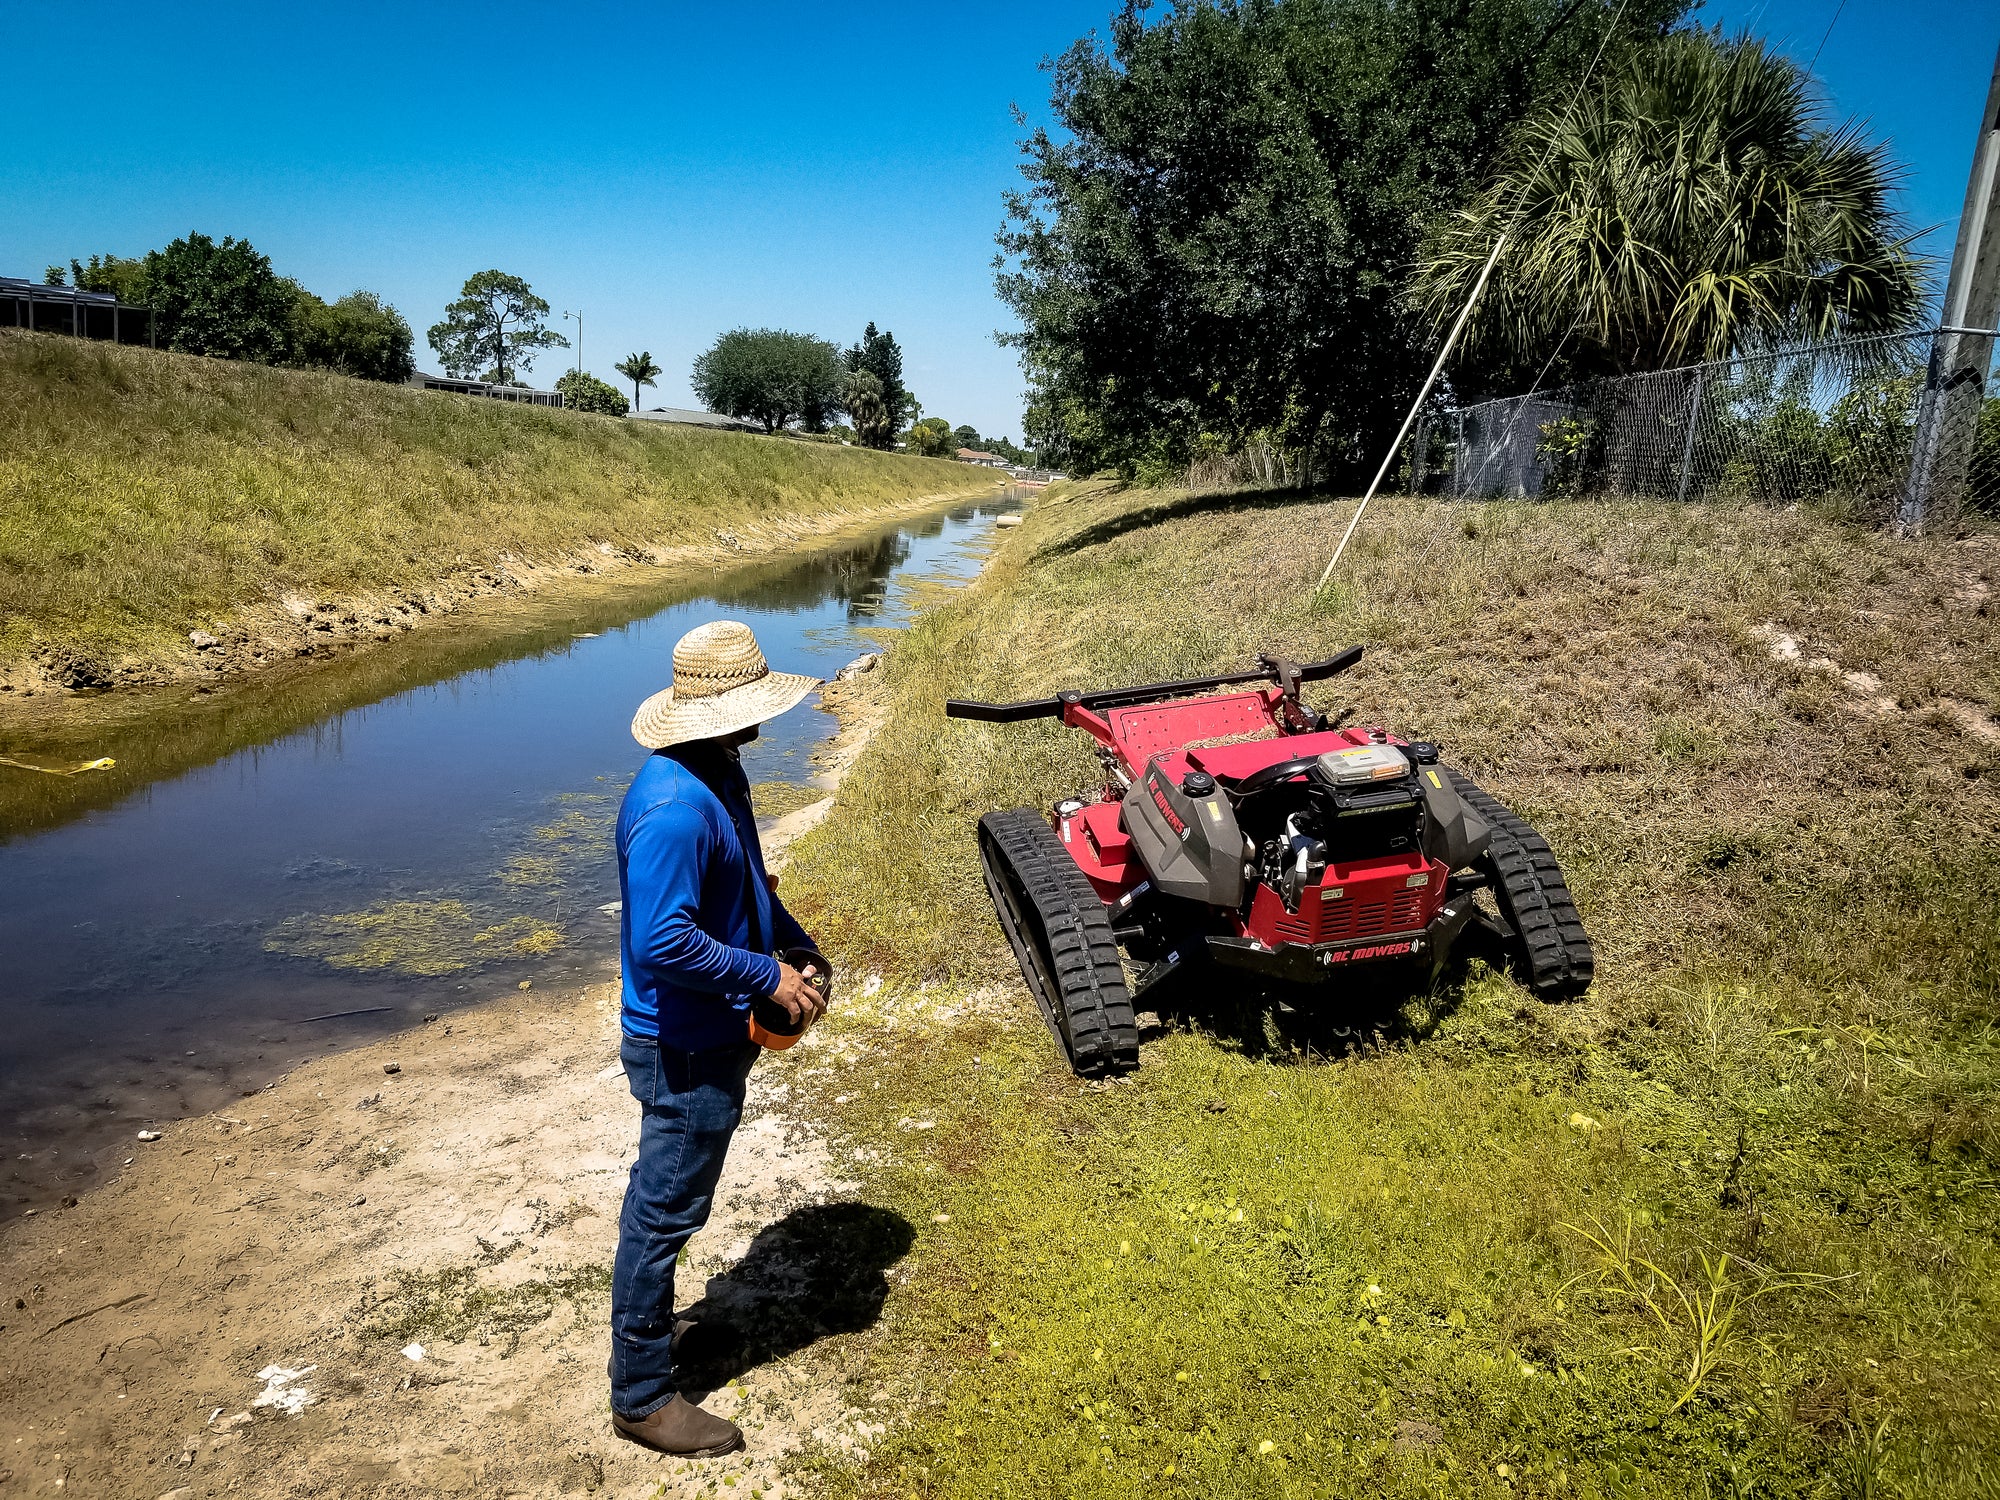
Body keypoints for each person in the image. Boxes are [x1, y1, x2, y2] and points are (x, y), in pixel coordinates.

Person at [608, 619, 830, 1457]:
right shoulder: (671, 807)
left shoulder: (720, 770)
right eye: (751, 704)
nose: (763, 719)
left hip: (713, 1031)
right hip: (683, 1046)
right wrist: (765, 976)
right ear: (718, 709)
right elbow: (661, 942)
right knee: (661, 1214)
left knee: (675, 1202)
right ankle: (639, 1394)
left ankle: (654, 1337)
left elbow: (742, 881)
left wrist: (791, 940)